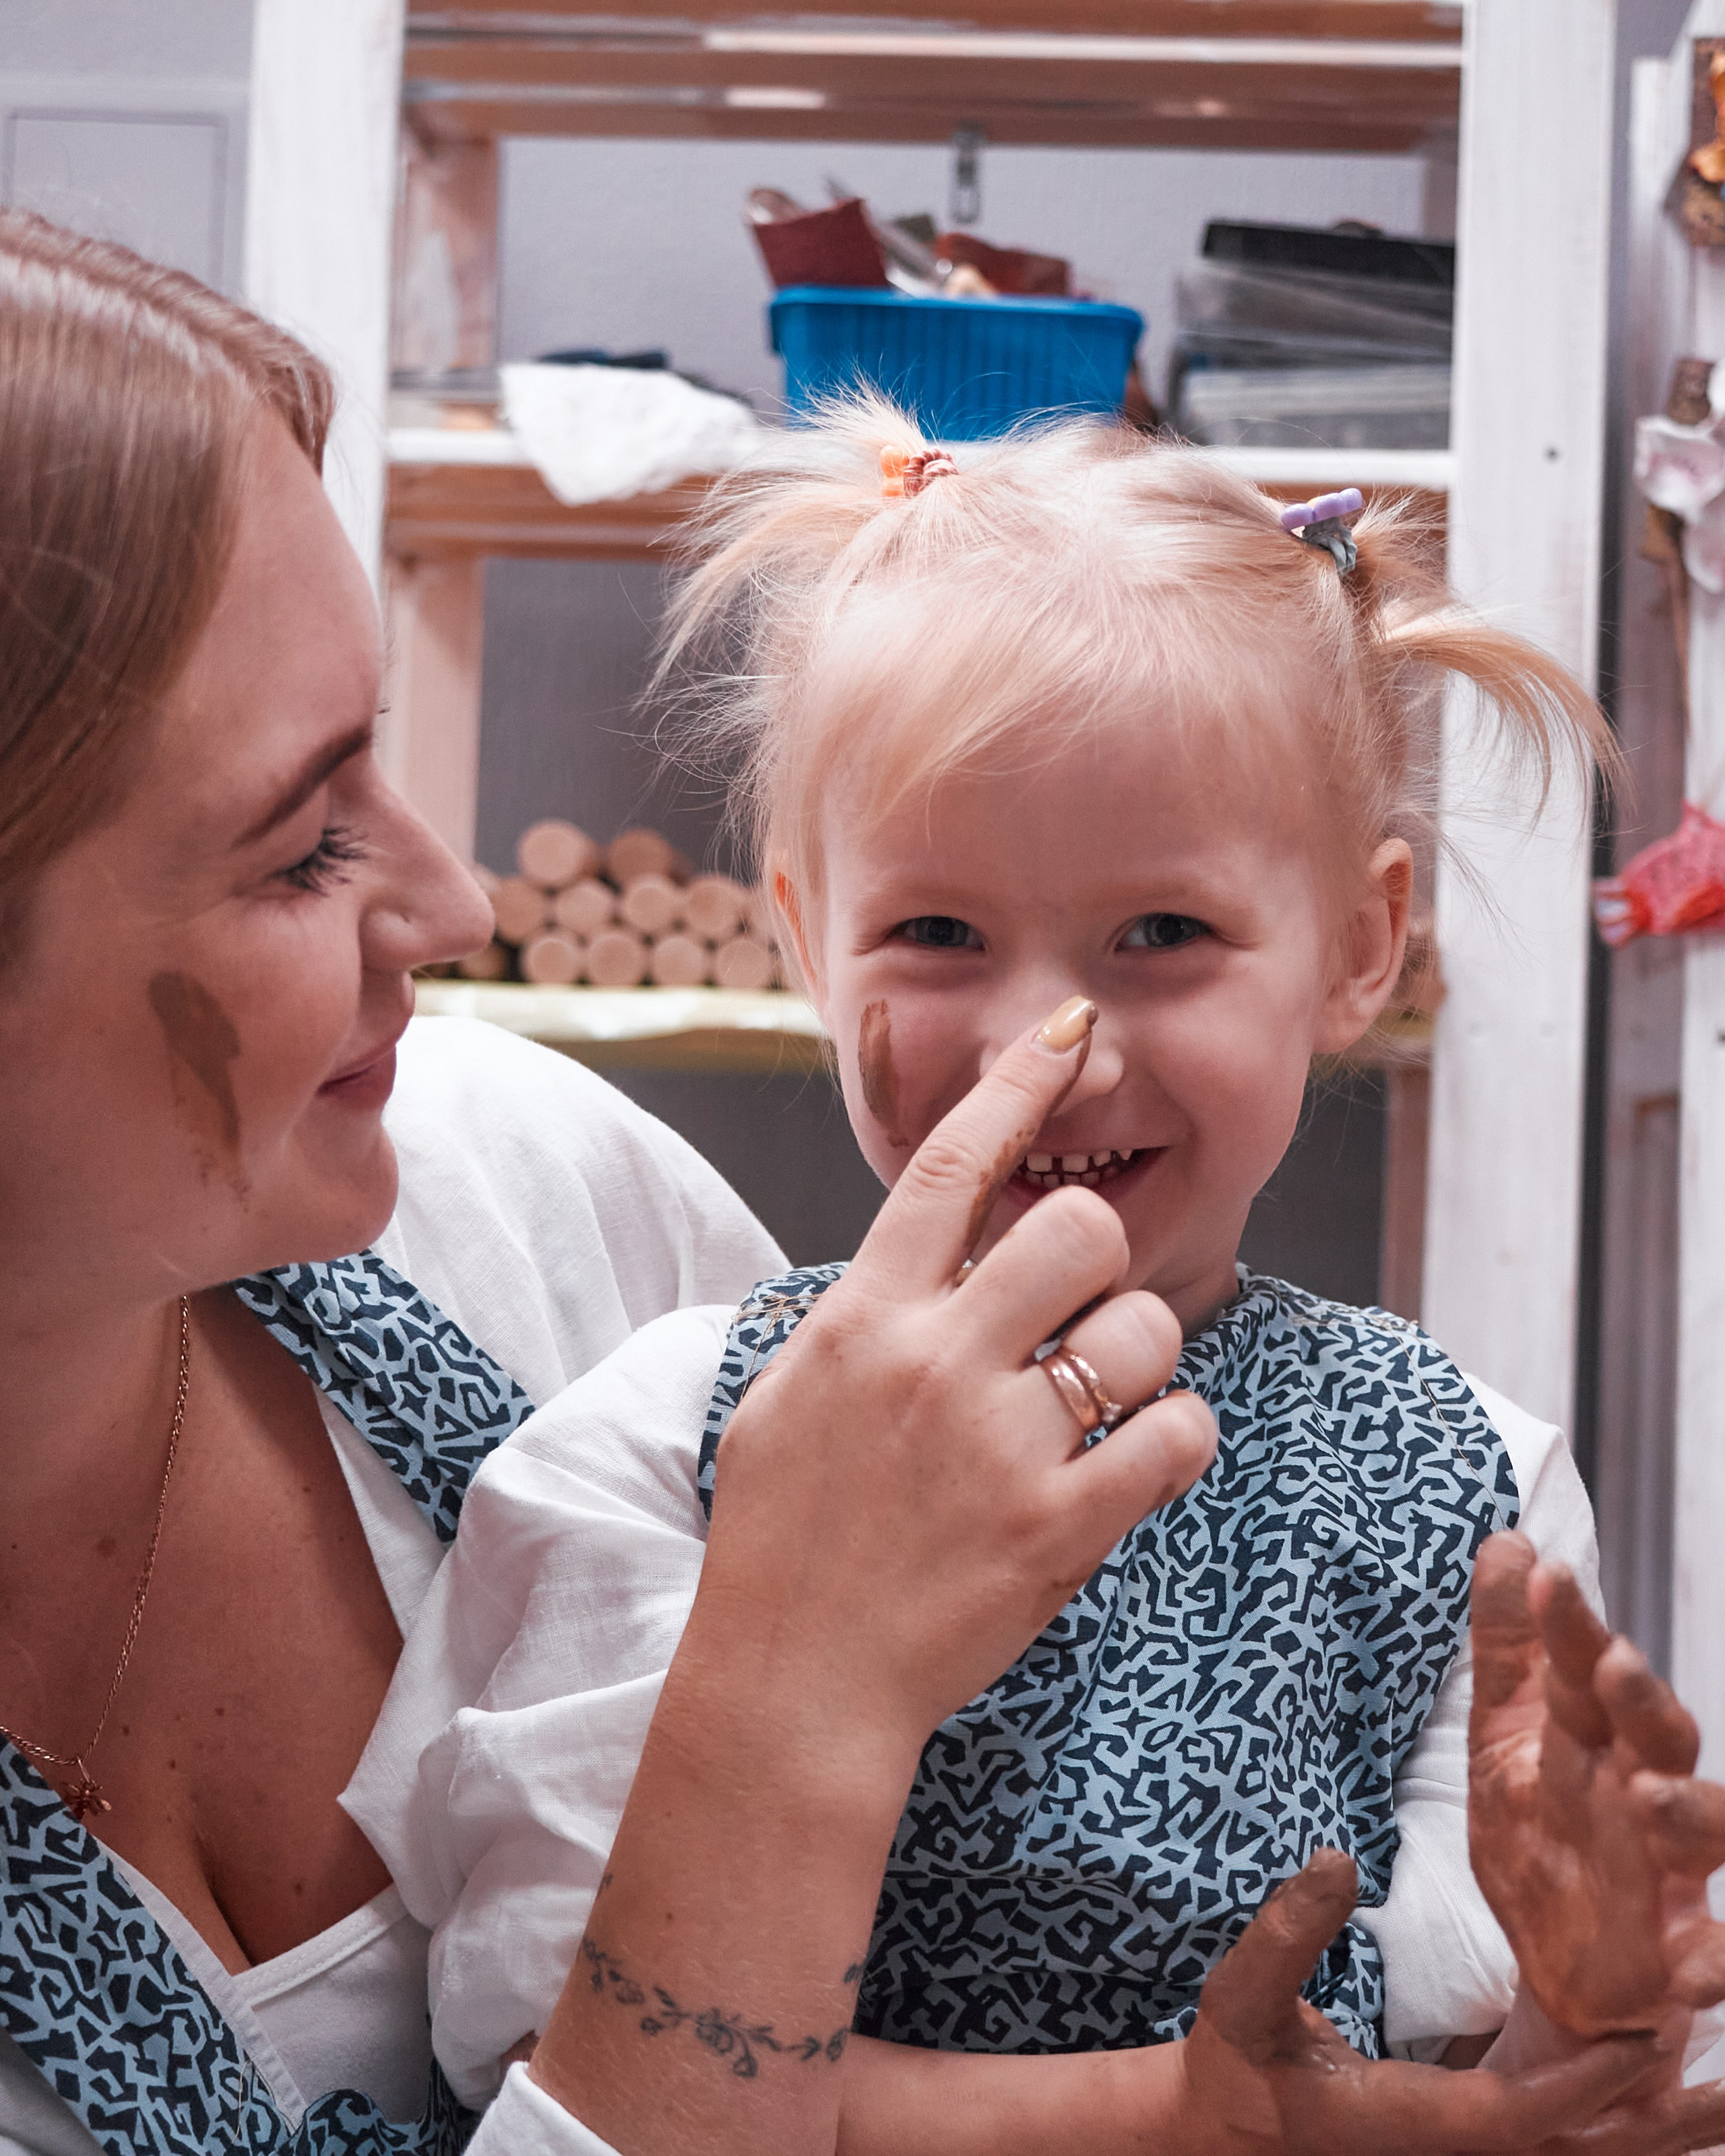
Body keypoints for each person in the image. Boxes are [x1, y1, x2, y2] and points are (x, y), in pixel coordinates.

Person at [3, 214, 1722, 2156]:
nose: (1049, 1041)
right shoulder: (661, 1439)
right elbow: (543, 2027)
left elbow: (1472, 2024)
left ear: (1361, 947)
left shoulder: (1465, 1475)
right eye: (300, 842)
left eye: (1164, 931)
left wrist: (1587, 1994)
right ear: (808, 937)